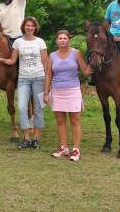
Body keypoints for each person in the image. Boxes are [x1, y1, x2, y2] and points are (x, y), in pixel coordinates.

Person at [0, 16, 49, 149]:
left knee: (38, 108)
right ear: (23, 27)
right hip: (24, 79)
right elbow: (13, 60)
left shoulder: (40, 42)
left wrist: (48, 80)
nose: (30, 28)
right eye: (27, 25)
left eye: (32, 25)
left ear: (35, 27)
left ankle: (36, 139)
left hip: (39, 78)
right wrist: (2, 60)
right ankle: (26, 138)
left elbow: (45, 62)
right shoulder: (18, 42)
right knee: (21, 107)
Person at [44, 30, 91, 161]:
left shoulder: (76, 53)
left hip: (73, 91)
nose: (63, 40)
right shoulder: (52, 55)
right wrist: (46, 93)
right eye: (60, 38)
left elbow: (86, 70)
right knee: (60, 121)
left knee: (75, 120)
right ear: (56, 41)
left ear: (68, 40)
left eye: (65, 38)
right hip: (57, 91)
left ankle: (76, 150)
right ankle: (64, 148)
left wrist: (95, 64)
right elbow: (48, 74)